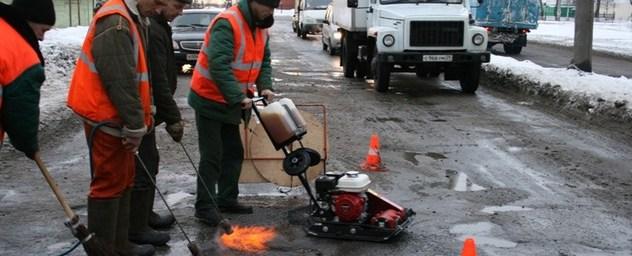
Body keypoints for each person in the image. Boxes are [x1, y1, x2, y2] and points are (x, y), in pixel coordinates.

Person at [66, 0, 165, 255]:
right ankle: (106, 249)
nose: (159, 9)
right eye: (158, 2)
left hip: (118, 117)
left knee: (124, 178)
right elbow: (119, 81)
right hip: (107, 117)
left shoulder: (132, 18)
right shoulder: (116, 22)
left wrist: (143, 115)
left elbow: (137, 76)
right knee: (109, 182)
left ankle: (119, 244)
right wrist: (135, 125)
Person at [188, 0, 278, 226]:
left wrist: (265, 86)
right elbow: (219, 65)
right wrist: (238, 96)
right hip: (209, 99)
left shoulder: (261, 25)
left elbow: (263, 60)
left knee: (233, 152)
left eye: (274, 7)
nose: (270, 11)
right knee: (212, 156)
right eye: (267, 6)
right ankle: (205, 207)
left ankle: (226, 198)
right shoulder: (228, 23)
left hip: (232, 102)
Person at [128, 0, 190, 247]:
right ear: (161, 3)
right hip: (145, 107)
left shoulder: (159, 24)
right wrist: (172, 115)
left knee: (150, 162)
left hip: (151, 110)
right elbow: (158, 77)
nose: (180, 12)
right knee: (142, 168)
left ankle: (145, 215)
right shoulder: (152, 28)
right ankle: (136, 227)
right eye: (177, 6)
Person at [0, 0, 55, 159]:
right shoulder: (21, 53)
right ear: (28, 20)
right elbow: (21, 111)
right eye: (43, 30)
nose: (42, 38)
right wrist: (29, 145)